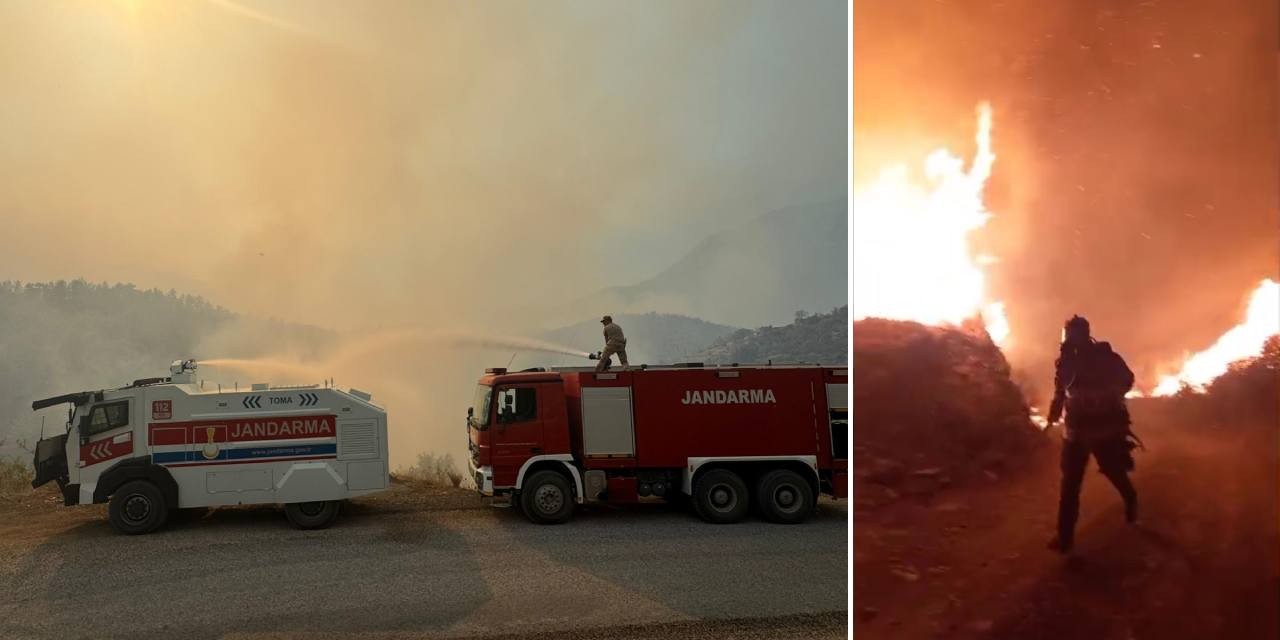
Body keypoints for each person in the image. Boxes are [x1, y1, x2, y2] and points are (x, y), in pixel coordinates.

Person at [1046, 315, 1139, 554]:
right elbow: (1060, 390)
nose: (1070, 339)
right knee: (1070, 486)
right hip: (1076, 430)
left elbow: (1128, 380)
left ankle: (1130, 499)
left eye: (1073, 334)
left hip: (1104, 428)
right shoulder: (1066, 361)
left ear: (1084, 334)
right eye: (1068, 335)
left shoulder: (1107, 357)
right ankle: (1065, 538)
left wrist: (1111, 394)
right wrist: (1053, 416)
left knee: (1112, 470)